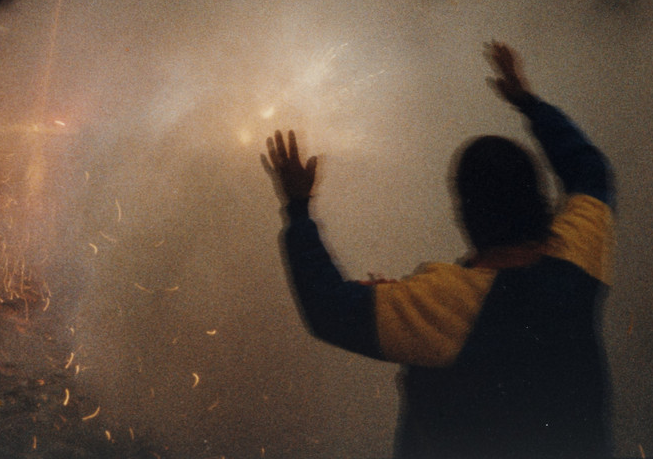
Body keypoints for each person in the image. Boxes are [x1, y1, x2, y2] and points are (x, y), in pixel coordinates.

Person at [263, 41, 615, 459]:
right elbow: (591, 171)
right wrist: (530, 104)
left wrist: (298, 209)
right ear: (537, 198)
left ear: (467, 214)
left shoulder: (448, 305)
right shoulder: (577, 261)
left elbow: (327, 307)